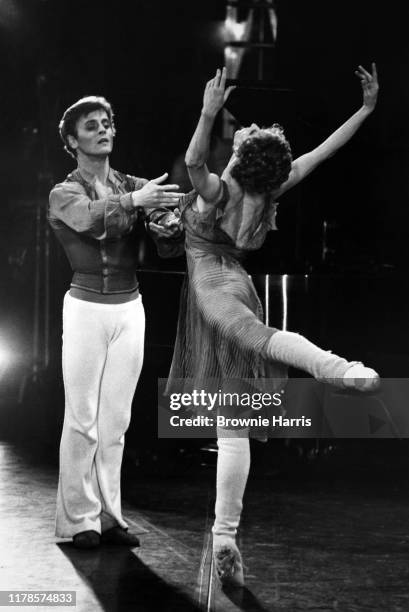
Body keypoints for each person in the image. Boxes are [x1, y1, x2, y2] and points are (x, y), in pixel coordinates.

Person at [168, 65, 379, 585]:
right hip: (237, 282)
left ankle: (336, 367)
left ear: (240, 158)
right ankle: (224, 535)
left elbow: (194, 159)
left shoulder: (217, 190)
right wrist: (367, 110)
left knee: (254, 344)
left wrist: (207, 111)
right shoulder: (272, 188)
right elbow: (325, 150)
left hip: (212, 287)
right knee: (233, 418)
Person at [48, 96, 183, 549]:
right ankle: (77, 520)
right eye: (92, 126)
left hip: (130, 307)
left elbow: (166, 227)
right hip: (86, 307)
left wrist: (167, 223)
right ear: (73, 140)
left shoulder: (136, 185)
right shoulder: (63, 193)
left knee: (115, 421)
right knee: (82, 419)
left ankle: (109, 515)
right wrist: (137, 201)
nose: (104, 130)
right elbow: (90, 222)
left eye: (107, 123)